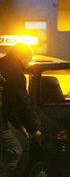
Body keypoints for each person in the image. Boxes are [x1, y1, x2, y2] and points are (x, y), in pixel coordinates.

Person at [0, 43, 42, 175]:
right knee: (15, 150)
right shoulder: (16, 74)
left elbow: (8, 103)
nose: (27, 64)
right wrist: (33, 129)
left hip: (3, 118)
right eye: (27, 60)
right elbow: (21, 103)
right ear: (20, 56)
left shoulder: (2, 65)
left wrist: (19, 126)